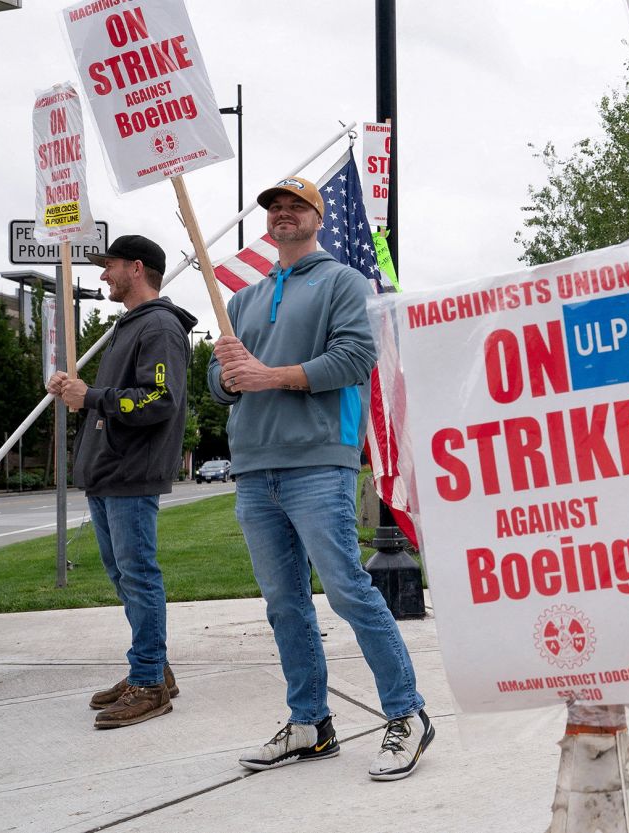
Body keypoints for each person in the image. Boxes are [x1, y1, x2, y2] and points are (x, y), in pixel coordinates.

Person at [208, 176, 434, 781]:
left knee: (348, 592)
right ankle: (310, 724)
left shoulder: (343, 282)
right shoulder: (243, 300)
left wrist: (267, 375)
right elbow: (219, 381)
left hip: (318, 460)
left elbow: (356, 357)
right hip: (255, 466)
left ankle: (407, 714)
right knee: (284, 604)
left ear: (318, 215)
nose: (284, 214)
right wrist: (228, 377)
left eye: (295, 206)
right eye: (275, 207)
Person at [47, 234, 196, 729]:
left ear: (136, 268)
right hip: (109, 471)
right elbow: (111, 396)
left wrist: (91, 396)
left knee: (138, 576)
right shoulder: (129, 326)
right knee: (123, 576)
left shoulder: (158, 326)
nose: (102, 275)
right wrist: (77, 393)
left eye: (108, 266)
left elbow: (160, 399)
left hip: (131, 471)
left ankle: (150, 683)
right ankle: (152, 667)